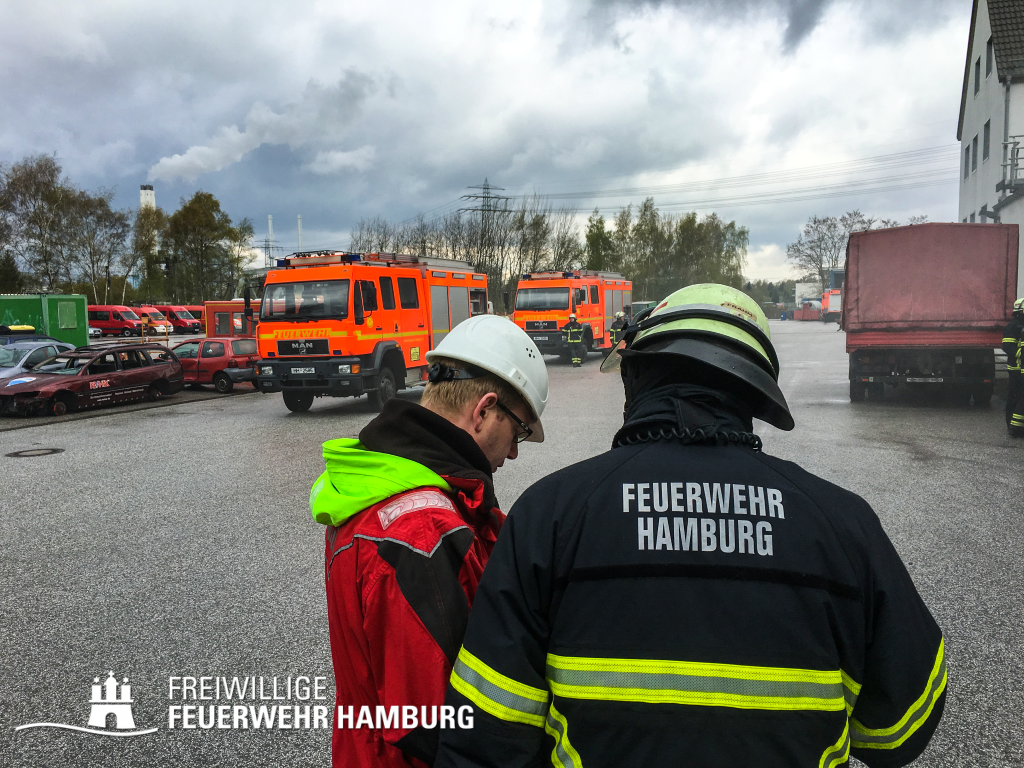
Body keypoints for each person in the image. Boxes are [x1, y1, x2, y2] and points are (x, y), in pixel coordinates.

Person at [436, 284, 945, 768]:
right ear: (753, 390)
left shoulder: (550, 515)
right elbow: (900, 732)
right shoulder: (843, 525)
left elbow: (490, 733)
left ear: (640, 378)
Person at [311, 314, 548, 768]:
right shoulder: (422, 532)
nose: (514, 451)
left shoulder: (376, 483)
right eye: (517, 431)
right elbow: (435, 725)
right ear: (483, 411)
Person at [1003, 298, 1023, 437]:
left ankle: (1017, 427)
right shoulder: (1013, 327)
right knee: (1015, 397)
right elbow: (1008, 347)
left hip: (1021, 369)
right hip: (1016, 369)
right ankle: (1012, 426)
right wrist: (1021, 355)